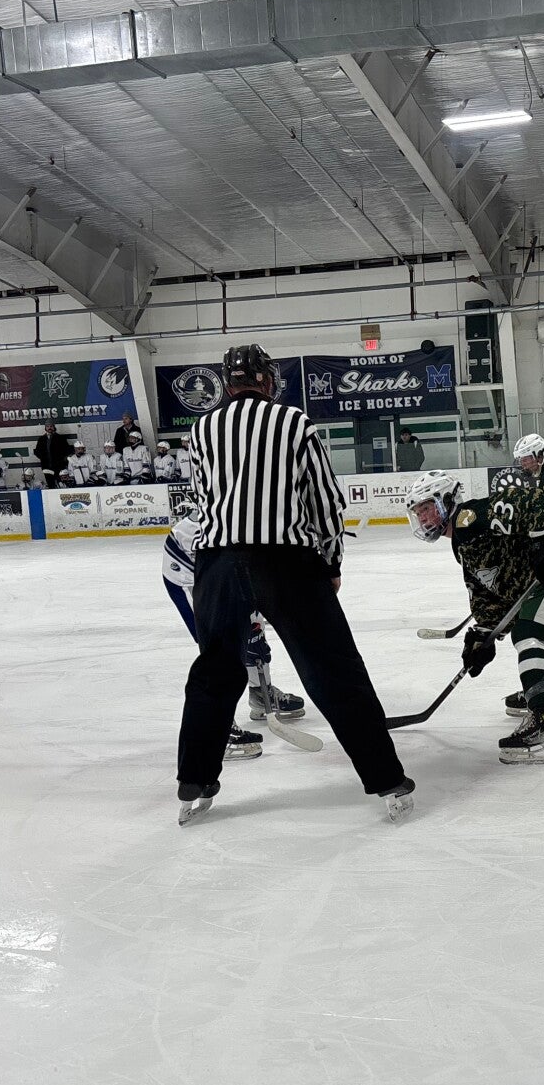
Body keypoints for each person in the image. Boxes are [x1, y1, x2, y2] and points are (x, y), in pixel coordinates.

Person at [176, 343, 412, 824]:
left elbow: (203, 498)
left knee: (214, 671)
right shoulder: (294, 422)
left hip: (217, 563)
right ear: (267, 380)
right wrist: (331, 563)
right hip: (284, 558)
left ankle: (193, 781)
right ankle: (386, 778)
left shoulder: (201, 429)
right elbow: (325, 502)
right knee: (333, 669)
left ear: (228, 384)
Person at [405, 442, 544, 764]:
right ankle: (543, 694)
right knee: (530, 628)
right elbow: (486, 590)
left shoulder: (473, 517)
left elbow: (533, 501)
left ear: (446, 500)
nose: (423, 518)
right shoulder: (462, 543)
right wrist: (482, 635)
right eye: (418, 513)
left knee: (528, 632)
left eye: (427, 508)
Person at [163, 497, 279, 764]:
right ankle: (217, 732)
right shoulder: (236, 522)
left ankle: (260, 694)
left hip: (224, 572)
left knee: (253, 636)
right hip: (189, 578)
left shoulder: (257, 519)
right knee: (217, 654)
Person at [33, 421, 72, 487]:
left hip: (59, 467)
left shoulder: (61, 438)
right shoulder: (41, 439)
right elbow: (37, 451)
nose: (49, 428)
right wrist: (43, 459)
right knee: (50, 485)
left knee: (61, 484)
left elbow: (67, 450)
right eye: (47, 426)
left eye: (51, 426)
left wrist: (62, 460)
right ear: (45, 428)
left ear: (54, 427)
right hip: (47, 467)